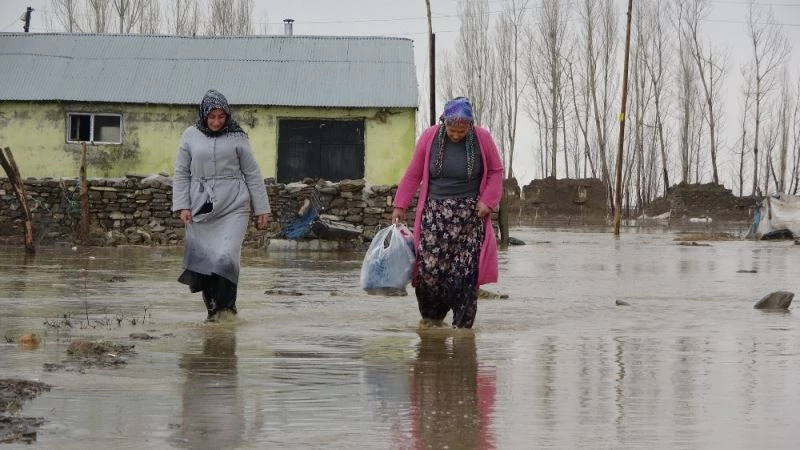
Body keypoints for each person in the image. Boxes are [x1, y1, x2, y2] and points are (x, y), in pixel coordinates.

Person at [391, 97, 504, 329]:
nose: (456, 135)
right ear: (444, 122)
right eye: (452, 130)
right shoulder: (430, 138)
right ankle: (432, 321)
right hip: (434, 216)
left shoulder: (482, 139)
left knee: (464, 276)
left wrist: (488, 201)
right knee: (429, 272)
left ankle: (462, 330)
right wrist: (400, 205)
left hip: (470, 218)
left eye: (462, 132)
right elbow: (413, 174)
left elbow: (495, 171)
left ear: (470, 126)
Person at [172, 89, 270, 322]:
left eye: (221, 117)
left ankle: (227, 310)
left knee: (226, 256)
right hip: (201, 204)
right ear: (204, 115)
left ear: (227, 116)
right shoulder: (190, 135)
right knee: (206, 260)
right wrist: (182, 205)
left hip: (234, 204)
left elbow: (252, 173)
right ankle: (213, 310)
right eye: (212, 117)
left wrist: (262, 208)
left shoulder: (238, 137)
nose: (216, 122)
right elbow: (181, 172)